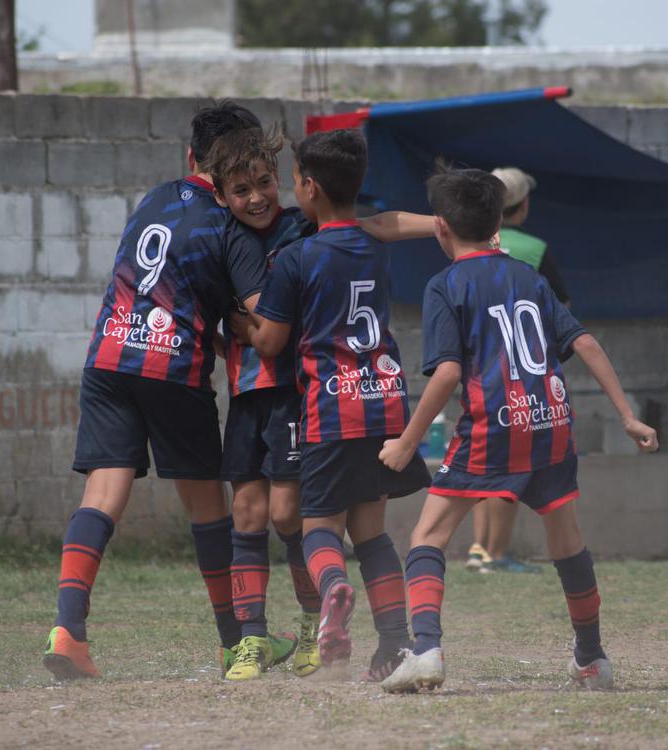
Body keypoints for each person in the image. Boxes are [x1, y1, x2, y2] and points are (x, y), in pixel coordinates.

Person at [377, 167, 658, 693]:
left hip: (495, 425)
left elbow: (448, 373)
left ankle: (427, 650)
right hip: (551, 422)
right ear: (497, 224)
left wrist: (407, 441)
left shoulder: (446, 285)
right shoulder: (530, 277)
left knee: (428, 535)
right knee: (566, 538)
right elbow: (586, 343)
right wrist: (627, 415)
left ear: (441, 227)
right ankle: (592, 658)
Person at [42, 102, 296, 680]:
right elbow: (264, 320)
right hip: (172, 369)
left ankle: (68, 630)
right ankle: (236, 642)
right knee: (208, 507)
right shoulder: (230, 225)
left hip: (108, 356)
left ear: (189, 157)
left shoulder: (154, 197)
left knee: (101, 494)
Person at [206, 127, 438, 680]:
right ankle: (393, 644)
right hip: (385, 403)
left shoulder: (298, 256)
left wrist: (233, 327)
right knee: (373, 533)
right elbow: (384, 224)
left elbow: (270, 341)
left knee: (318, 530)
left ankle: (333, 589)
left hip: (331, 410)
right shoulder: (371, 245)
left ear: (308, 187)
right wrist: (442, 224)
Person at [463, 166, 570, 575]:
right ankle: (496, 553)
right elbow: (561, 308)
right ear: (522, 206)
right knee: (511, 461)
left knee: (482, 456)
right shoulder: (534, 249)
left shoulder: (469, 246)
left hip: (475, 369)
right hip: (519, 374)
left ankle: (479, 548)